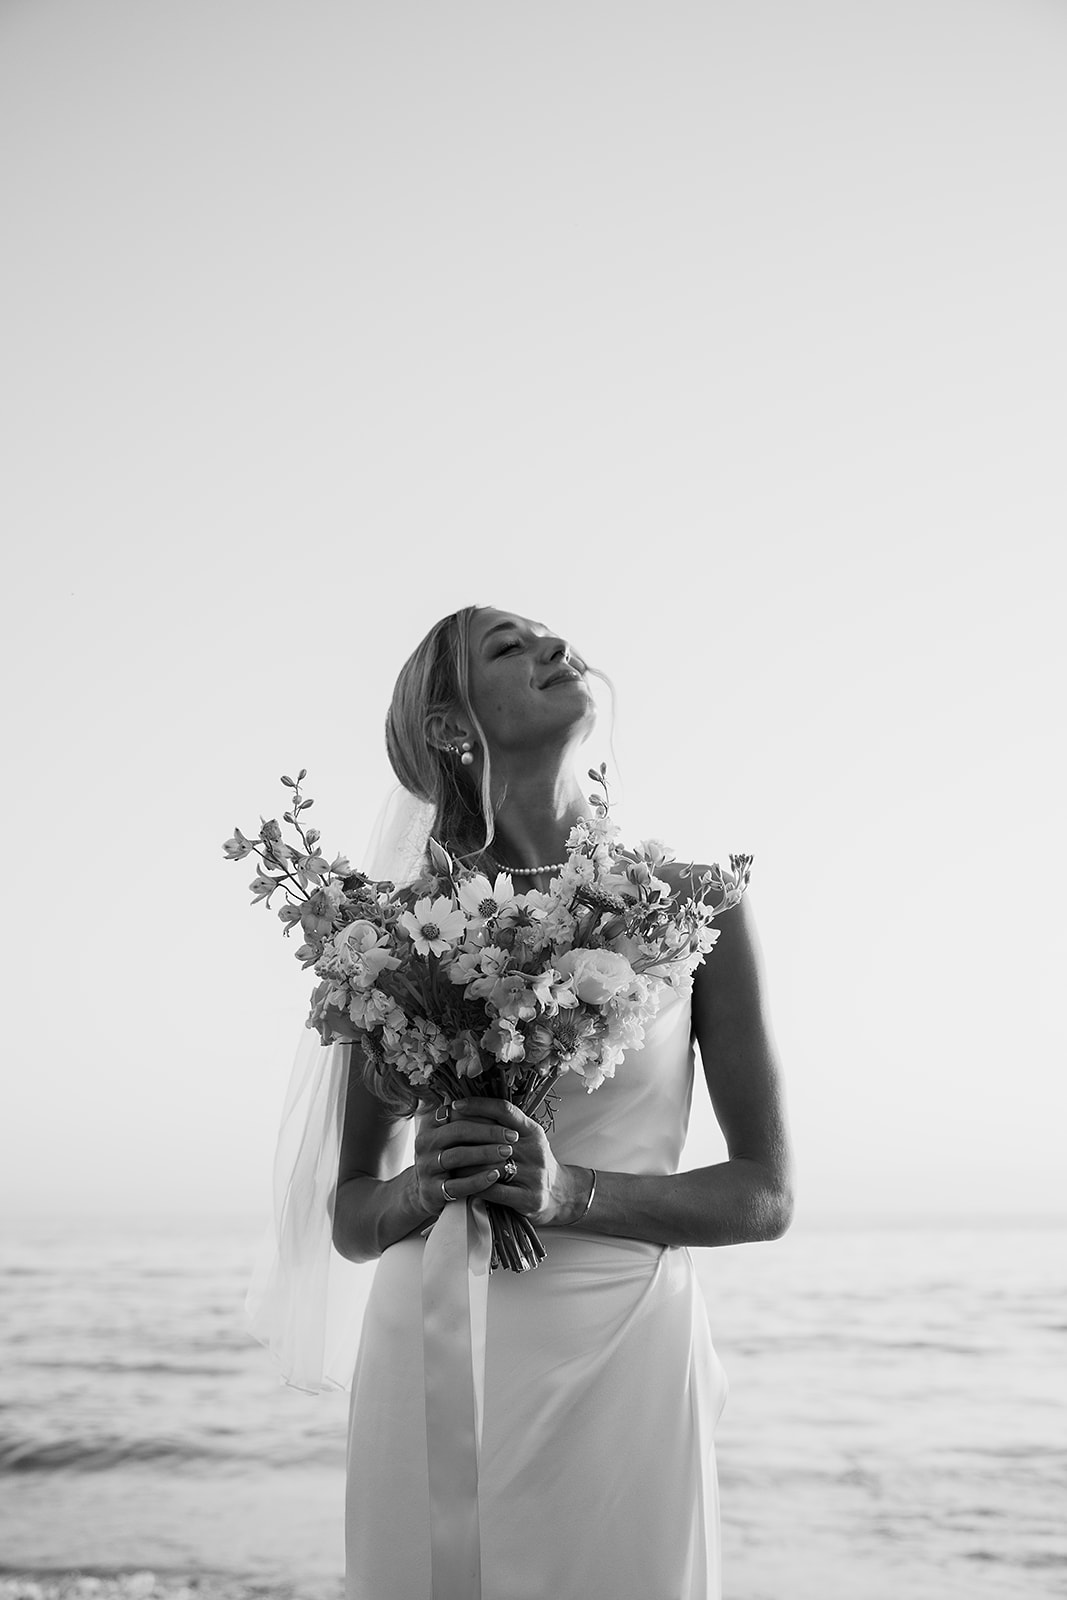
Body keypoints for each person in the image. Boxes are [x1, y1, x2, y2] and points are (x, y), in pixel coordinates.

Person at [302, 604, 792, 1600]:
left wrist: (568, 1194)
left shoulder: (691, 907)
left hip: (621, 1348)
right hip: (437, 1329)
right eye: (507, 648)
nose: (552, 647)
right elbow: (353, 1213)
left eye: (548, 636)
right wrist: (424, 1189)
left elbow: (763, 1195)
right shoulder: (396, 934)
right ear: (449, 726)